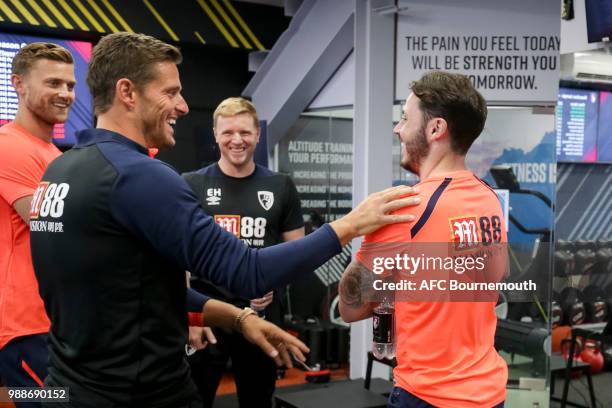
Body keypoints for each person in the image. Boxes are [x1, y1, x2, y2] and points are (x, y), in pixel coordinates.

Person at [29, 32, 419, 408]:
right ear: (127, 92)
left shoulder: (60, 170)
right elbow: (247, 272)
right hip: (137, 393)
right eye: (170, 92)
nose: (182, 106)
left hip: (69, 385)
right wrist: (351, 224)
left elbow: (137, 292)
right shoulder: (139, 176)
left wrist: (239, 318)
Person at [339, 71, 508, 408]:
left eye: (404, 118)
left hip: (429, 396)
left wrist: (362, 234)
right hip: (488, 394)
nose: (397, 129)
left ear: (435, 129)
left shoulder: (405, 208)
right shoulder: (490, 199)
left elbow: (351, 307)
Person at [183, 97, 304, 407]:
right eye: (228, 133)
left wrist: (275, 285)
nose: (237, 141)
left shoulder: (281, 186)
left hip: (261, 314)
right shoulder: (192, 183)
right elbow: (179, 255)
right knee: (195, 398)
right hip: (209, 314)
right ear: (215, 134)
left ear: (258, 135)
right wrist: (191, 318)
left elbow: (297, 253)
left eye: (245, 133)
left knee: (258, 400)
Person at [0, 43, 74, 399]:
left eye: (70, 86)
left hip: (55, 321)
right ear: (18, 84)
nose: (64, 94)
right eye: (53, 83)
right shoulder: (7, 145)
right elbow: (49, 225)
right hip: (25, 328)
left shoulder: (53, 154)